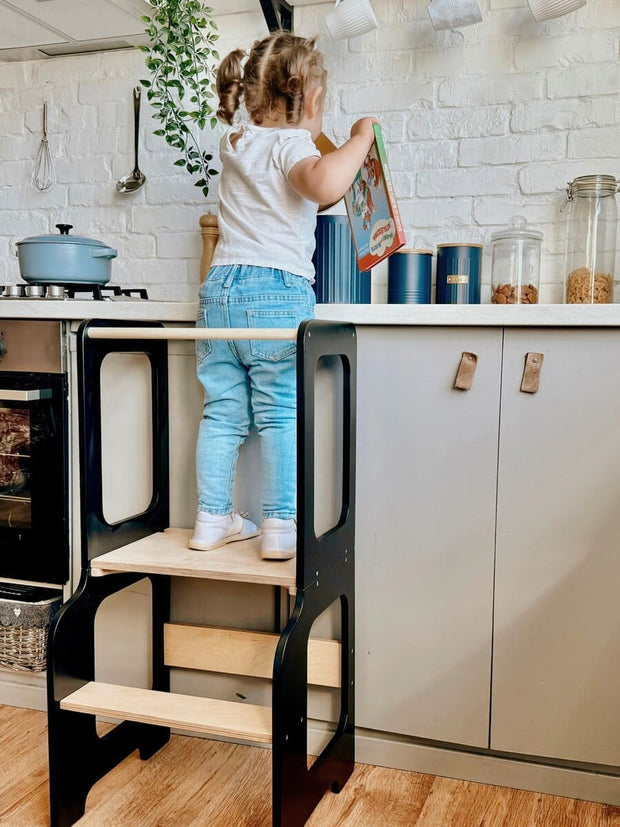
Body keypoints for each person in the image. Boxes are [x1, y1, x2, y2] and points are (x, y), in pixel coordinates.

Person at [190, 31, 377, 560]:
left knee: (222, 413)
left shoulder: (237, 143)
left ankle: (211, 520)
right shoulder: (291, 143)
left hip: (219, 292)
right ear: (308, 98)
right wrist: (359, 139)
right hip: (274, 290)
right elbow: (321, 186)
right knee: (277, 414)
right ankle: (278, 527)